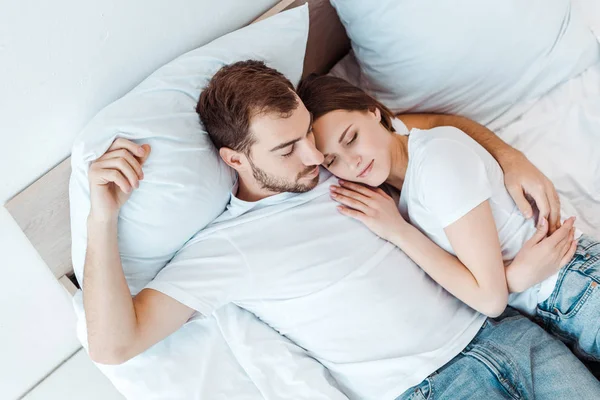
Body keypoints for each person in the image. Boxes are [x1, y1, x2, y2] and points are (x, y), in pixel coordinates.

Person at [82, 60, 600, 399]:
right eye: (287, 149)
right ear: (235, 159)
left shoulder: (341, 158)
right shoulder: (227, 247)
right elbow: (114, 345)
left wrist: (510, 158)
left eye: (307, 133)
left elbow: (413, 129)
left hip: (512, 331)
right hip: (431, 389)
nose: (313, 157)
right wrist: (102, 218)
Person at [298, 74, 600, 366]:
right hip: (553, 312)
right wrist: (513, 280)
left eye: (351, 139)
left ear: (373, 111)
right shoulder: (397, 180)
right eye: (332, 160)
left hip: (574, 285)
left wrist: (400, 232)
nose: (352, 162)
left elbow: (490, 299)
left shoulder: (435, 162)